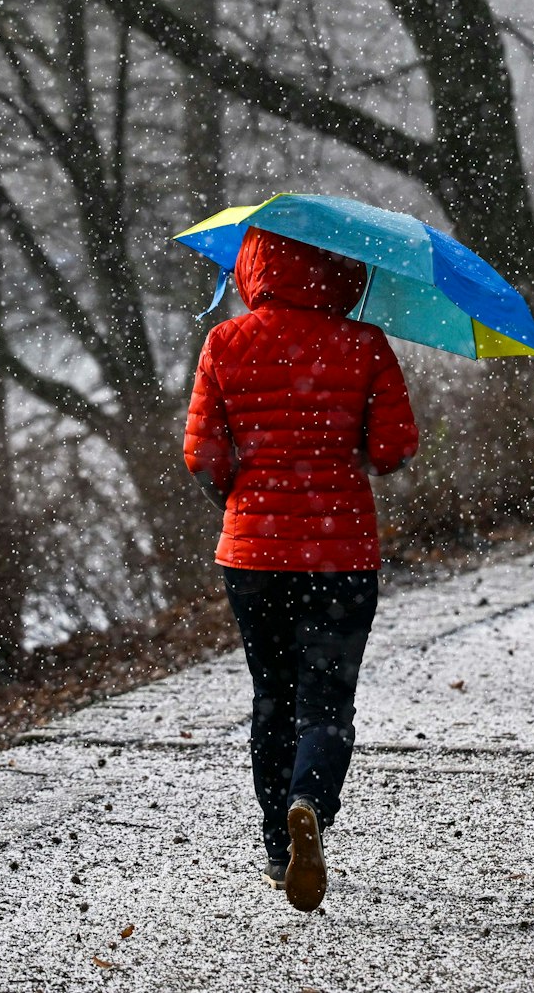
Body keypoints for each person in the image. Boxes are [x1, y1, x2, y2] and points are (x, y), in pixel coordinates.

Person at [182, 226, 419, 913]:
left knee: (271, 695)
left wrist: (238, 488)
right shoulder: (365, 344)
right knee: (328, 697)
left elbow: (202, 454)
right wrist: (360, 456)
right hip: (340, 552)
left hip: (254, 556)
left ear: (254, 266)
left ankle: (277, 846)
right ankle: (310, 797)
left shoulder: (224, 342)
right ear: (338, 268)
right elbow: (394, 446)